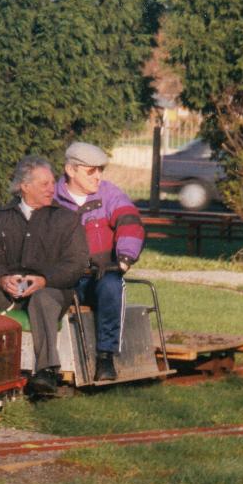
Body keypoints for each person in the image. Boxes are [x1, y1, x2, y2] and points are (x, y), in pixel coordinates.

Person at [0, 155, 89, 395]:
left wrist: (44, 279)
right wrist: (2, 279)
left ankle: (46, 371)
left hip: (53, 289)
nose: (51, 188)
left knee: (42, 299)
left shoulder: (67, 219)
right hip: (9, 288)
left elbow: (76, 263)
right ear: (24, 186)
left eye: (52, 182)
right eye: (44, 184)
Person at [54, 141, 145, 381]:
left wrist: (124, 259)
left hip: (100, 275)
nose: (98, 176)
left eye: (101, 170)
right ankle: (48, 364)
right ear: (70, 170)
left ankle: (106, 357)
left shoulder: (110, 194)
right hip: (64, 277)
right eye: (91, 171)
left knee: (112, 286)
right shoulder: (52, 199)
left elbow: (130, 222)